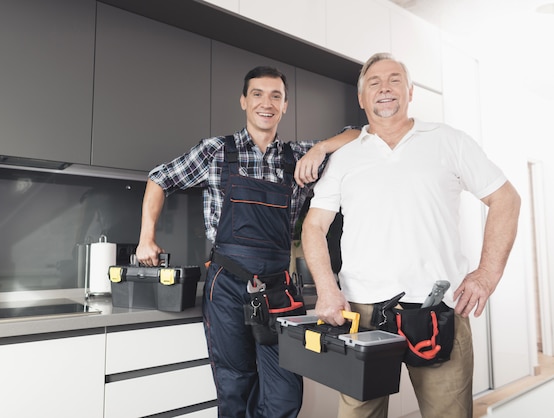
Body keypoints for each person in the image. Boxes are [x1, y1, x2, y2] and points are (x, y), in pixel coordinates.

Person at [301, 52, 521, 418]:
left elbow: (506, 199)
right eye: (374, 82)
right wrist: (326, 288)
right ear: (362, 99)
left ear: (410, 91)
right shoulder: (345, 158)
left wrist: (487, 274)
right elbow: (313, 226)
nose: (384, 88)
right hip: (362, 312)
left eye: (394, 80)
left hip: (438, 311)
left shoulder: (449, 141)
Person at [136, 65, 360, 418]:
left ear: (285, 105)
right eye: (257, 94)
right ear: (244, 101)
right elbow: (160, 179)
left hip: (278, 290)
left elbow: (357, 134)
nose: (266, 103)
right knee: (235, 385)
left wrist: (320, 149)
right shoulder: (216, 151)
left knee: (285, 394)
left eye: (276, 96)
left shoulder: (298, 157)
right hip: (226, 286)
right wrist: (146, 237)